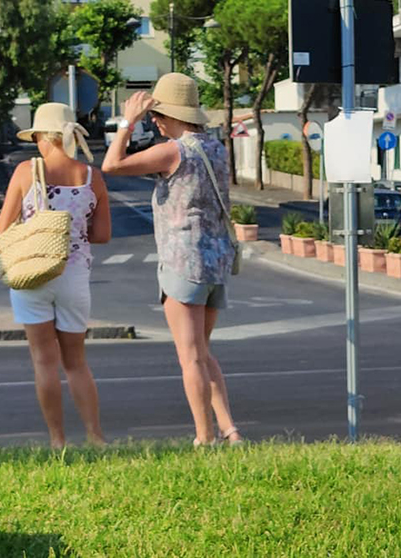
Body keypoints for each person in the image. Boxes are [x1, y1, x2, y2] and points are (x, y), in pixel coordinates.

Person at [101, 73, 243, 447]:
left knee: (190, 357)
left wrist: (126, 123)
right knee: (203, 352)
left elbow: (112, 165)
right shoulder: (215, 148)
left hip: (183, 262)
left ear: (174, 115)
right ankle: (230, 430)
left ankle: (203, 436)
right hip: (215, 262)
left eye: (158, 114)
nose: (155, 121)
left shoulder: (173, 151)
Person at [0, 103, 111, 449]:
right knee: (76, 362)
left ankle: (57, 441)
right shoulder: (91, 176)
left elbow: (3, 226)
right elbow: (103, 234)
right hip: (74, 275)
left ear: (43, 136)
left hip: (32, 273)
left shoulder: (25, 172)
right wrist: (70, 231)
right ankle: (95, 436)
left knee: (44, 361)